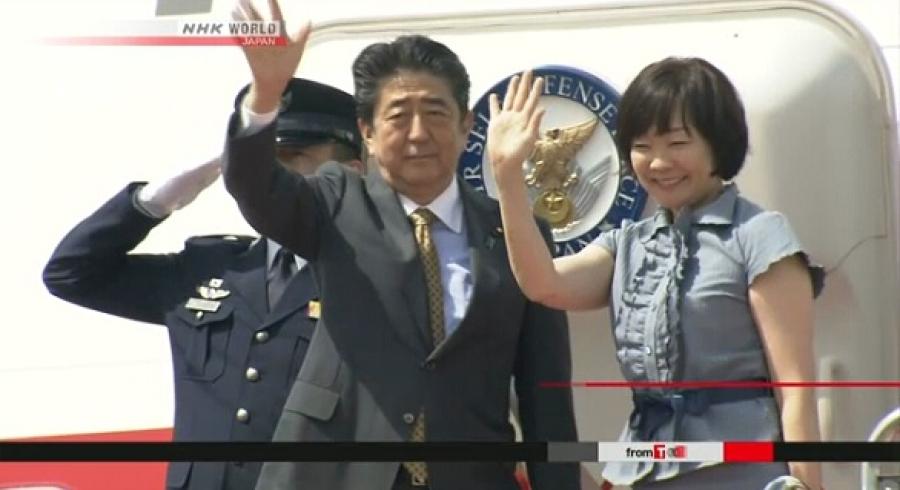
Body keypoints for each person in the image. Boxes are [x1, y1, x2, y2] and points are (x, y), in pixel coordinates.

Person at [222, 2, 579, 490]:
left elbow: (546, 395)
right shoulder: (335, 201)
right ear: (367, 133)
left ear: (466, 126)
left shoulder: (518, 232)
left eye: (435, 113)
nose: (418, 134)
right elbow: (255, 185)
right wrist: (265, 96)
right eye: (398, 116)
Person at [487, 62, 825, 489]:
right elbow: (544, 284)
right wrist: (508, 176)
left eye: (678, 143)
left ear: (718, 142)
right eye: (642, 146)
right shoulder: (628, 243)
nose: (659, 162)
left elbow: (794, 386)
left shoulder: (759, 235)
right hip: (643, 470)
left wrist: (807, 483)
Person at [41, 78, 365, 490]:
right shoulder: (211, 268)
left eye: (292, 155)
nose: (269, 175)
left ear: (351, 173)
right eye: (261, 161)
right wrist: (152, 202)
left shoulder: (373, 278)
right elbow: (70, 274)